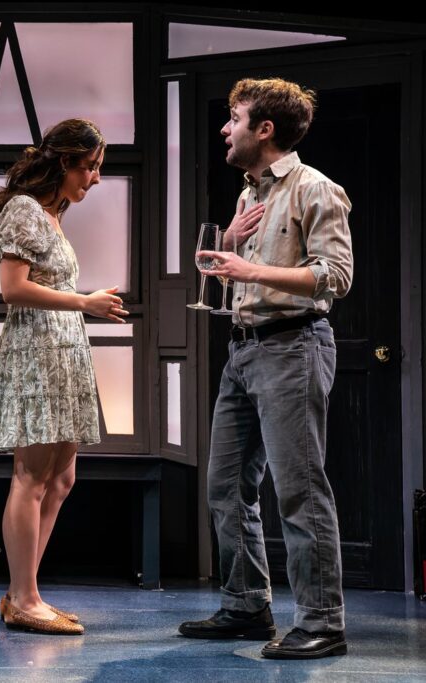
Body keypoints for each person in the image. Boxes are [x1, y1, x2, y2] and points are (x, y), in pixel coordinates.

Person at [178, 77, 353, 659]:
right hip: (243, 349)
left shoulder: (315, 189)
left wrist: (250, 272)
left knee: (300, 489)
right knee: (225, 486)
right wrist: (229, 247)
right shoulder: (248, 195)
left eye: (235, 118)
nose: (225, 129)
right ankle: (247, 603)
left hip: (293, 346)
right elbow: (231, 269)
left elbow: (335, 276)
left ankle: (322, 622)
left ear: (265, 128)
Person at [0, 119, 128, 635]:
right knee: (32, 476)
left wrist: (82, 306)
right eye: (89, 167)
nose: (95, 178)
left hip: (63, 351)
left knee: (62, 479)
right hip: (38, 351)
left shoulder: (52, 213)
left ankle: (24, 591)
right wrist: (84, 302)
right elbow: (12, 288)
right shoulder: (25, 209)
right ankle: (24, 597)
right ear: (64, 162)